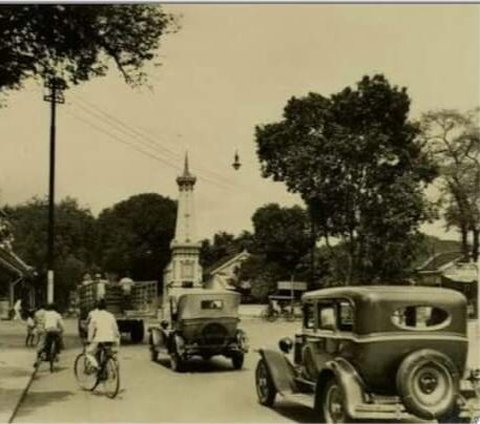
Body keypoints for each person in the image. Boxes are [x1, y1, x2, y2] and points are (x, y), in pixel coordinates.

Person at [86, 298, 120, 369]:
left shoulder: (95, 316)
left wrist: (89, 340)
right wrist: (116, 338)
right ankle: (106, 365)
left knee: (88, 353)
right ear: (106, 307)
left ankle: (97, 366)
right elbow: (116, 329)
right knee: (107, 353)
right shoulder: (111, 315)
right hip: (110, 339)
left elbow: (91, 328)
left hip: (99, 339)